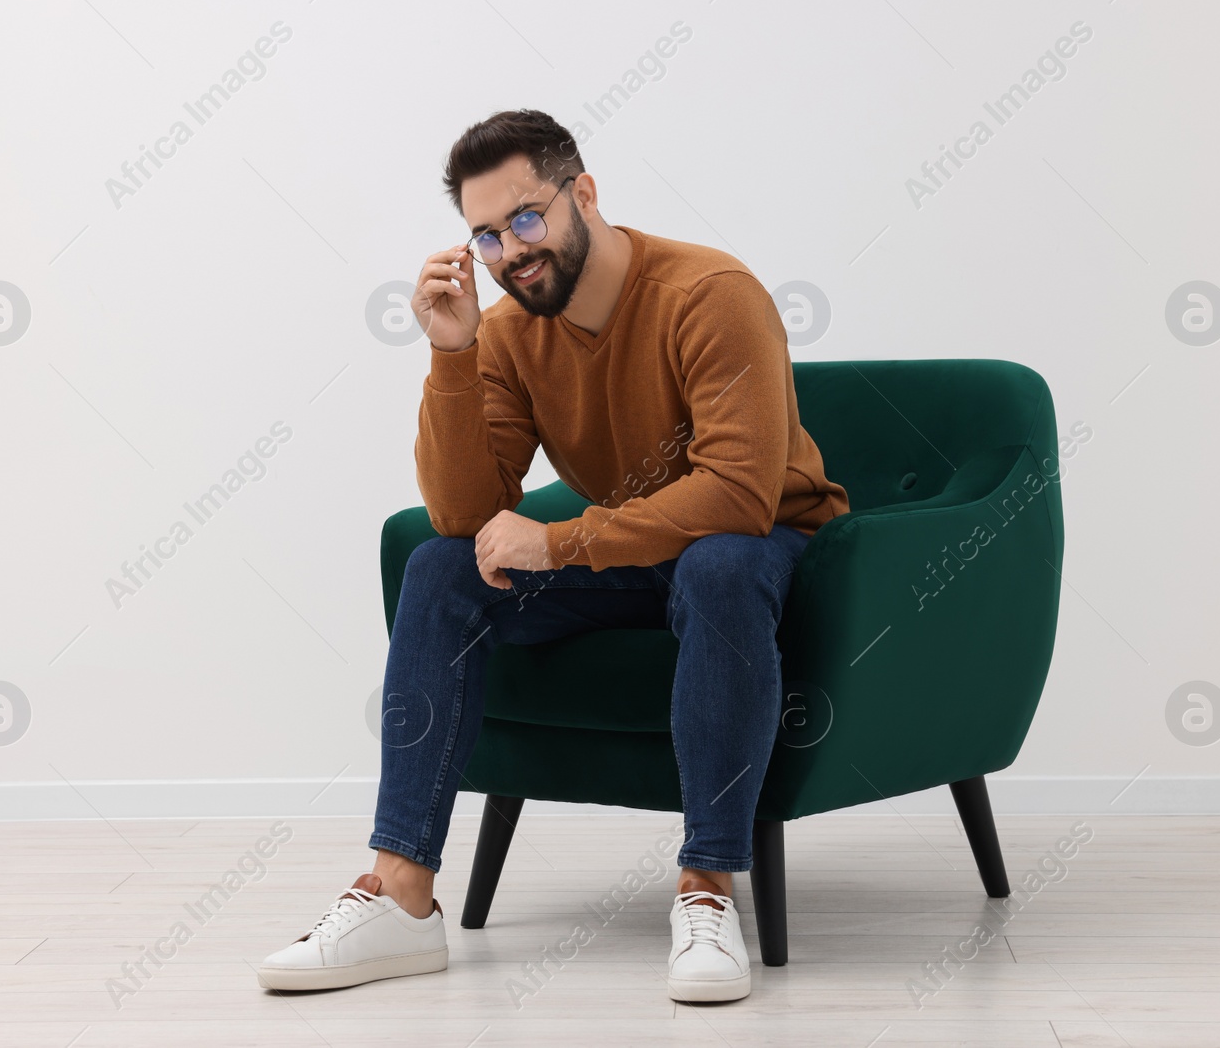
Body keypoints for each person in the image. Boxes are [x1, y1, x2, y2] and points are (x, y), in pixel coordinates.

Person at [257, 109, 849, 1003]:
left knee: (718, 564)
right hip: (633, 547)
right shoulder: (508, 330)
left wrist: (563, 540)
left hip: (766, 543)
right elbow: (461, 513)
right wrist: (452, 353)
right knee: (439, 568)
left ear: (584, 193)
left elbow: (736, 492)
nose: (510, 251)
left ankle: (707, 889)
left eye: (527, 217)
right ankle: (402, 894)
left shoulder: (710, 292)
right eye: (486, 235)